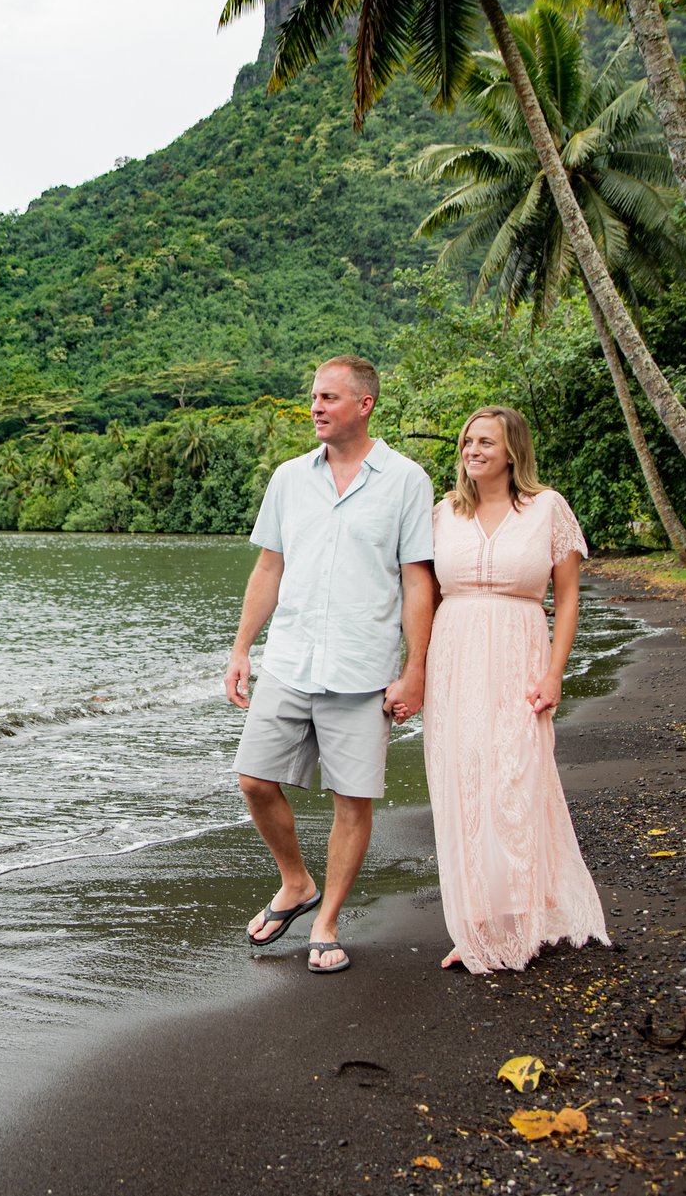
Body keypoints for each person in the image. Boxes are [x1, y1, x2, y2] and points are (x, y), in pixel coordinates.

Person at [224, 356, 436, 974]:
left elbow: (416, 580)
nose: (315, 407)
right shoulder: (290, 478)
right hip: (289, 658)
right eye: (313, 396)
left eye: (328, 397)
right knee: (254, 780)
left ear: (364, 405)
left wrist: (414, 668)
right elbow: (269, 568)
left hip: (364, 665)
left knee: (354, 797)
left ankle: (327, 920)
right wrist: (241, 649)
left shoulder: (405, 481)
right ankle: (297, 883)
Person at [423, 405, 610, 973]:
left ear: (512, 452)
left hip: (519, 655)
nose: (472, 450)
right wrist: (411, 668)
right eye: (467, 441)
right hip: (452, 659)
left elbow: (569, 597)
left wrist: (554, 671)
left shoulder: (547, 508)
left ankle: (525, 916)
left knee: (516, 778)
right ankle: (474, 923)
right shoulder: (441, 514)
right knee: (463, 784)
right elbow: (423, 598)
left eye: (485, 442)